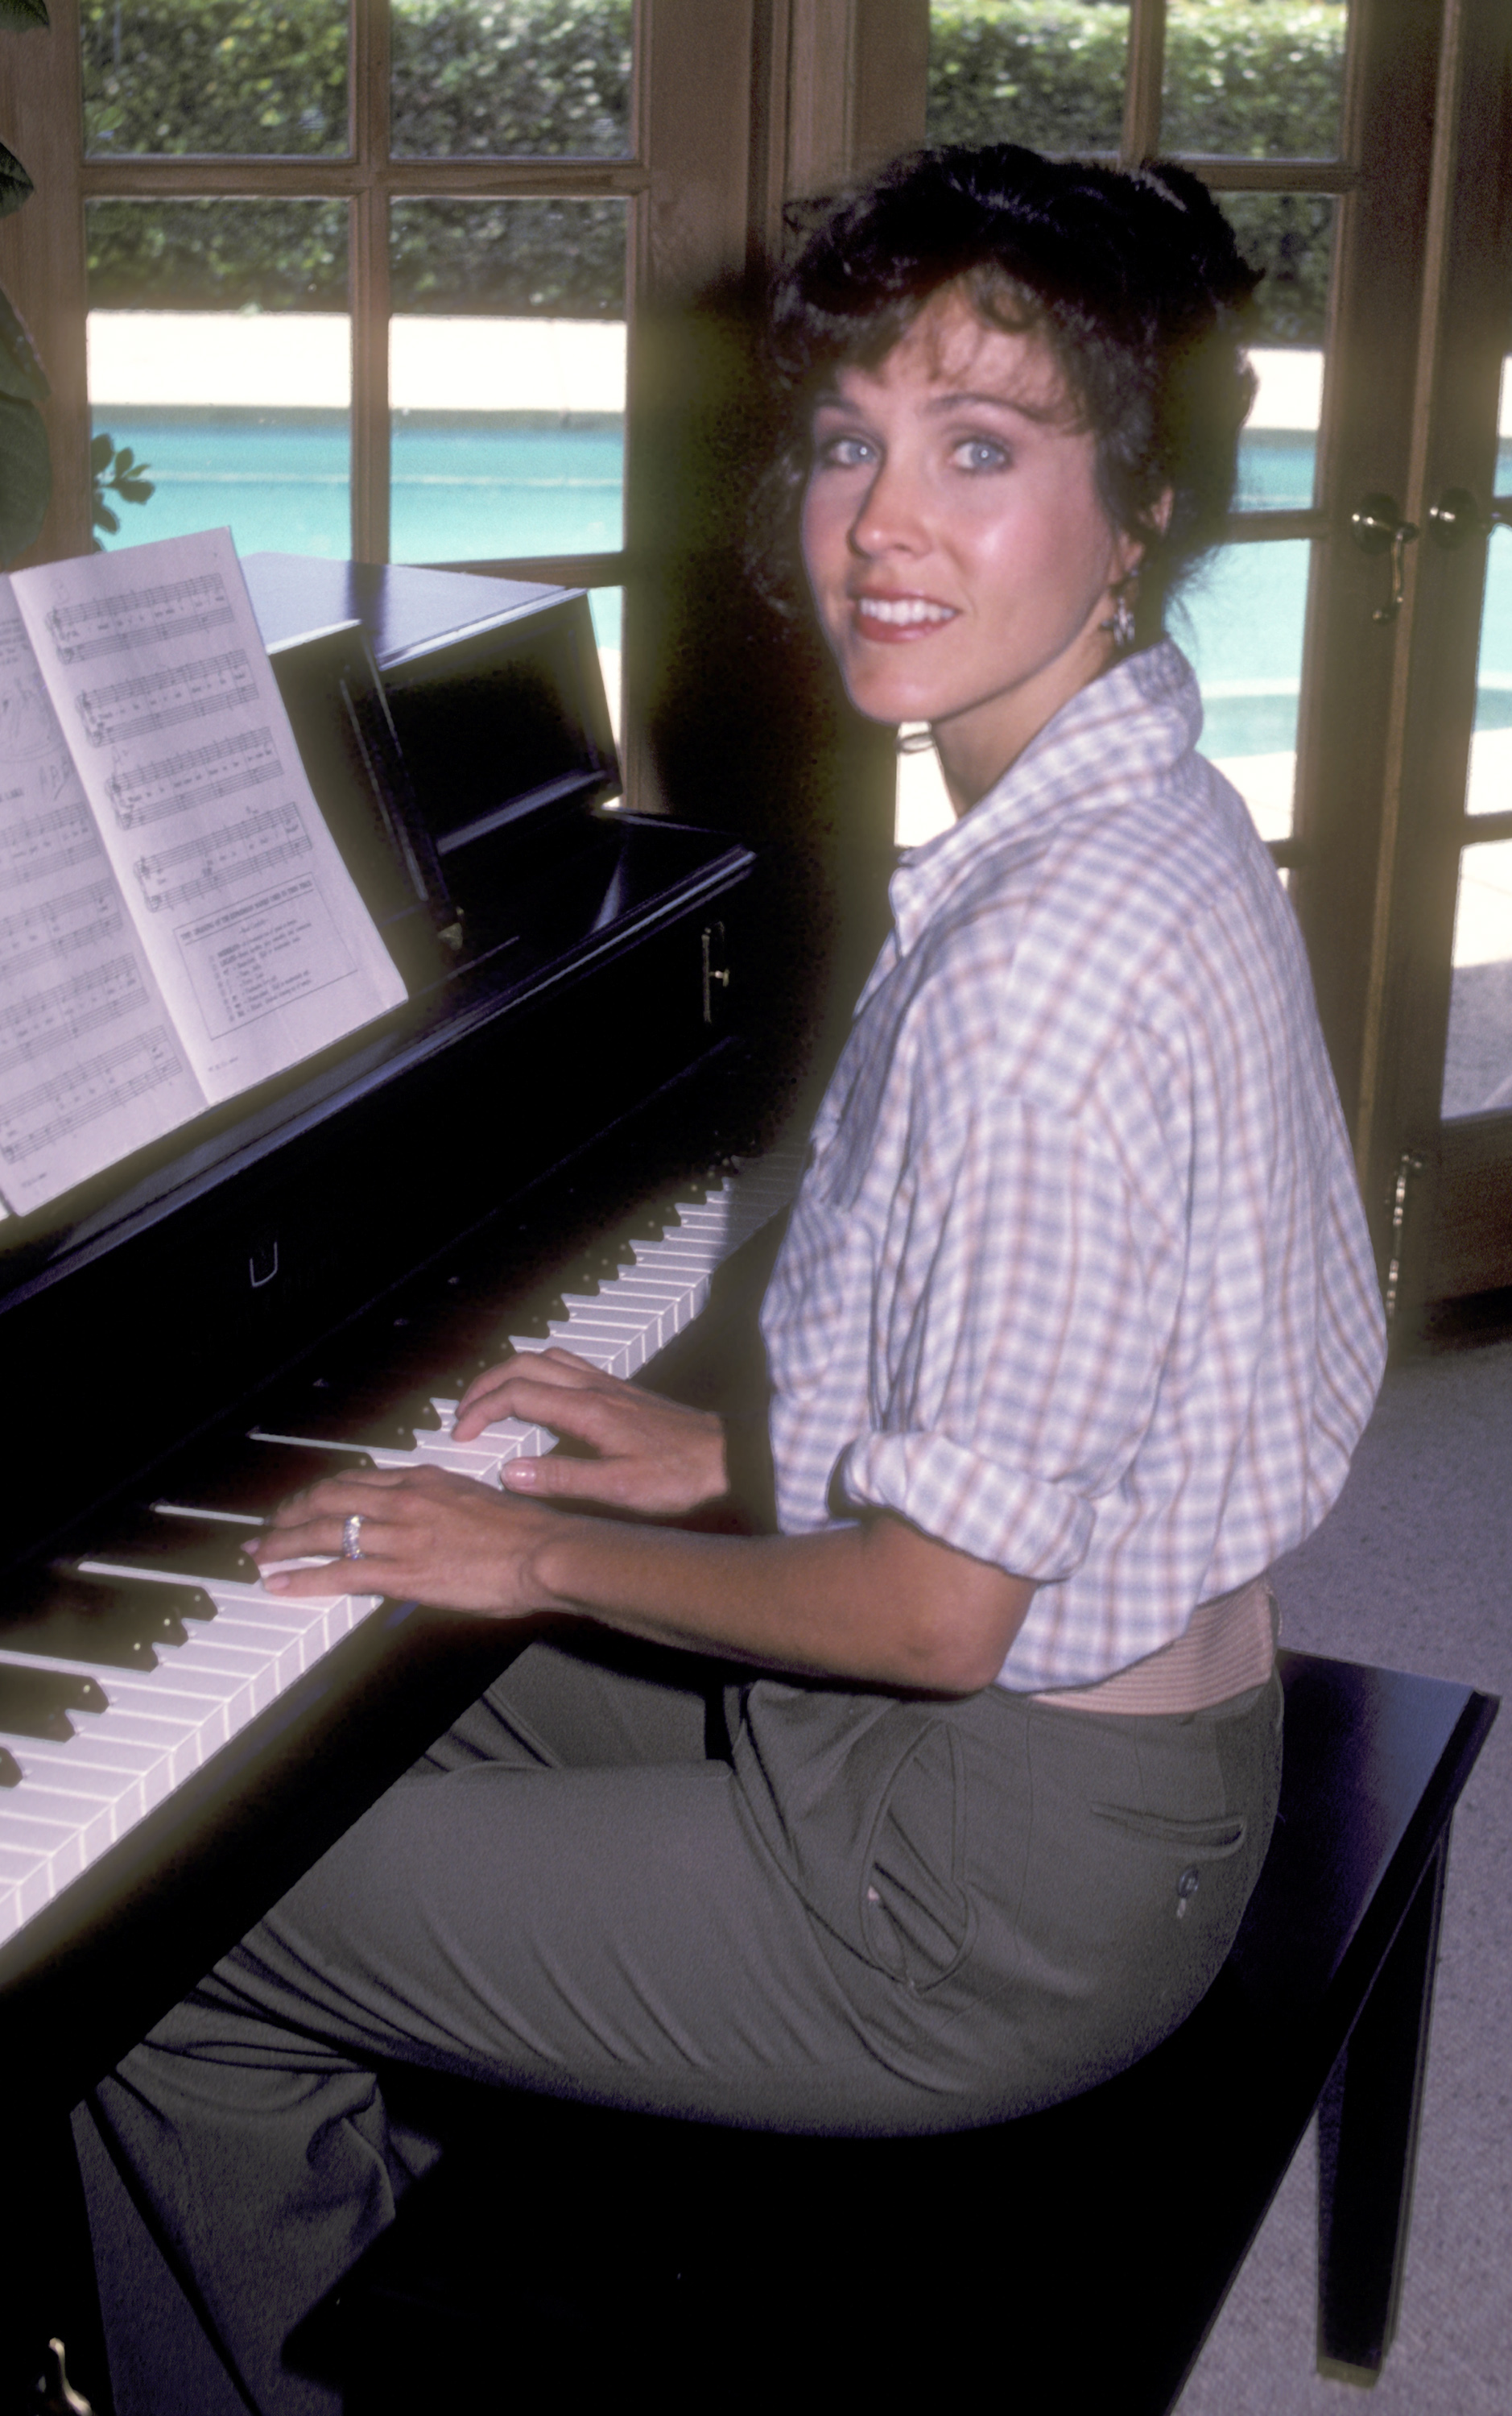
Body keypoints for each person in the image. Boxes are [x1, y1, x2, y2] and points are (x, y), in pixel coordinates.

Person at [78, 145, 1386, 2415]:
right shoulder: (1126, 792)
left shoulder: (1044, 977)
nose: (881, 522)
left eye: (983, 449)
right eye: (849, 442)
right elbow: (1035, 1411)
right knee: (339, 1645)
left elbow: (936, 1612)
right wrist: (708, 1453)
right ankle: (402, 2193)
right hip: (1088, 1755)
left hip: (993, 1887)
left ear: (1141, 500)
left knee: (162, 1940)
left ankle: (321, 2360)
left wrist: (549, 1540)